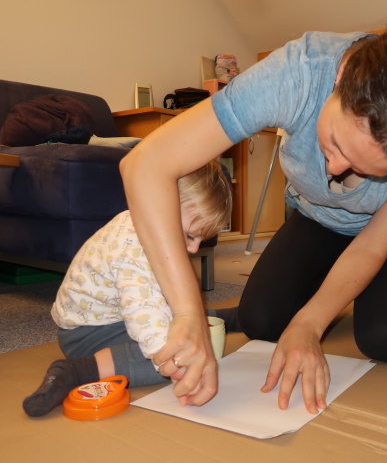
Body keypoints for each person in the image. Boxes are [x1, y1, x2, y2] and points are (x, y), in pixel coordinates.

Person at [119, 21, 387, 414]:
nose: (336, 169)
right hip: (318, 215)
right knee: (263, 322)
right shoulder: (298, 71)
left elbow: (372, 246)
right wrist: (188, 315)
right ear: (340, 77)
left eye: (373, 170)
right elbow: (145, 165)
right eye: (336, 143)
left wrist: (310, 325)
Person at [22, 161, 231, 417]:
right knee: (166, 359)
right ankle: (77, 371)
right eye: (190, 236)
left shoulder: (141, 222)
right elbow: (144, 314)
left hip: (116, 314)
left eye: (201, 239)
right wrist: (180, 369)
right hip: (86, 334)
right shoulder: (134, 248)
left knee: (184, 332)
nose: (194, 249)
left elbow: (159, 295)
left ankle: (217, 320)